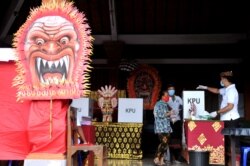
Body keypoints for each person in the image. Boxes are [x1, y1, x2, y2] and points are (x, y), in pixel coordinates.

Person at [196, 70, 240, 166]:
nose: (221, 80)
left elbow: (230, 106)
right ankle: (229, 163)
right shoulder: (227, 89)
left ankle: (236, 164)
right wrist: (205, 87)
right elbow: (217, 90)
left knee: (233, 144)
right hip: (226, 119)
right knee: (228, 144)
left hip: (231, 120)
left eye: (221, 79)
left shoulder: (232, 91)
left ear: (225, 79)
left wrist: (217, 112)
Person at [167, 84, 187, 164]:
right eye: (170, 89)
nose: (171, 91)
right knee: (170, 138)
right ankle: (171, 157)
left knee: (177, 138)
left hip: (177, 120)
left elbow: (182, 107)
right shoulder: (166, 98)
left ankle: (177, 156)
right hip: (169, 120)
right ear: (168, 90)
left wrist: (179, 110)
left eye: (173, 89)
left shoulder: (178, 98)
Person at [153, 90, 173, 165]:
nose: (168, 97)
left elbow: (166, 115)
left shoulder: (166, 104)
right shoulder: (158, 104)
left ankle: (161, 159)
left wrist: (170, 114)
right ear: (162, 96)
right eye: (166, 95)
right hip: (161, 127)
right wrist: (169, 113)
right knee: (163, 142)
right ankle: (156, 157)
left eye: (168, 95)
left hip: (167, 127)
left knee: (165, 143)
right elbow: (158, 114)